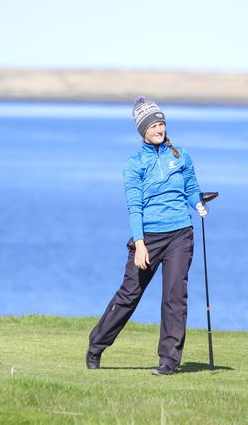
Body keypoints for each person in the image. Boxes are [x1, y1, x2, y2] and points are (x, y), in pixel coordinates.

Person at [86, 95, 208, 375]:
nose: (159, 129)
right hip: (149, 238)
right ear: (143, 130)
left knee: (175, 296)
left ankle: (168, 361)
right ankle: (96, 346)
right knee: (130, 294)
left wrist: (198, 203)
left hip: (180, 234)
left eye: (162, 124)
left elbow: (191, 187)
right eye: (153, 126)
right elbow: (134, 207)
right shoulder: (134, 164)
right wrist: (140, 244)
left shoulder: (181, 155)